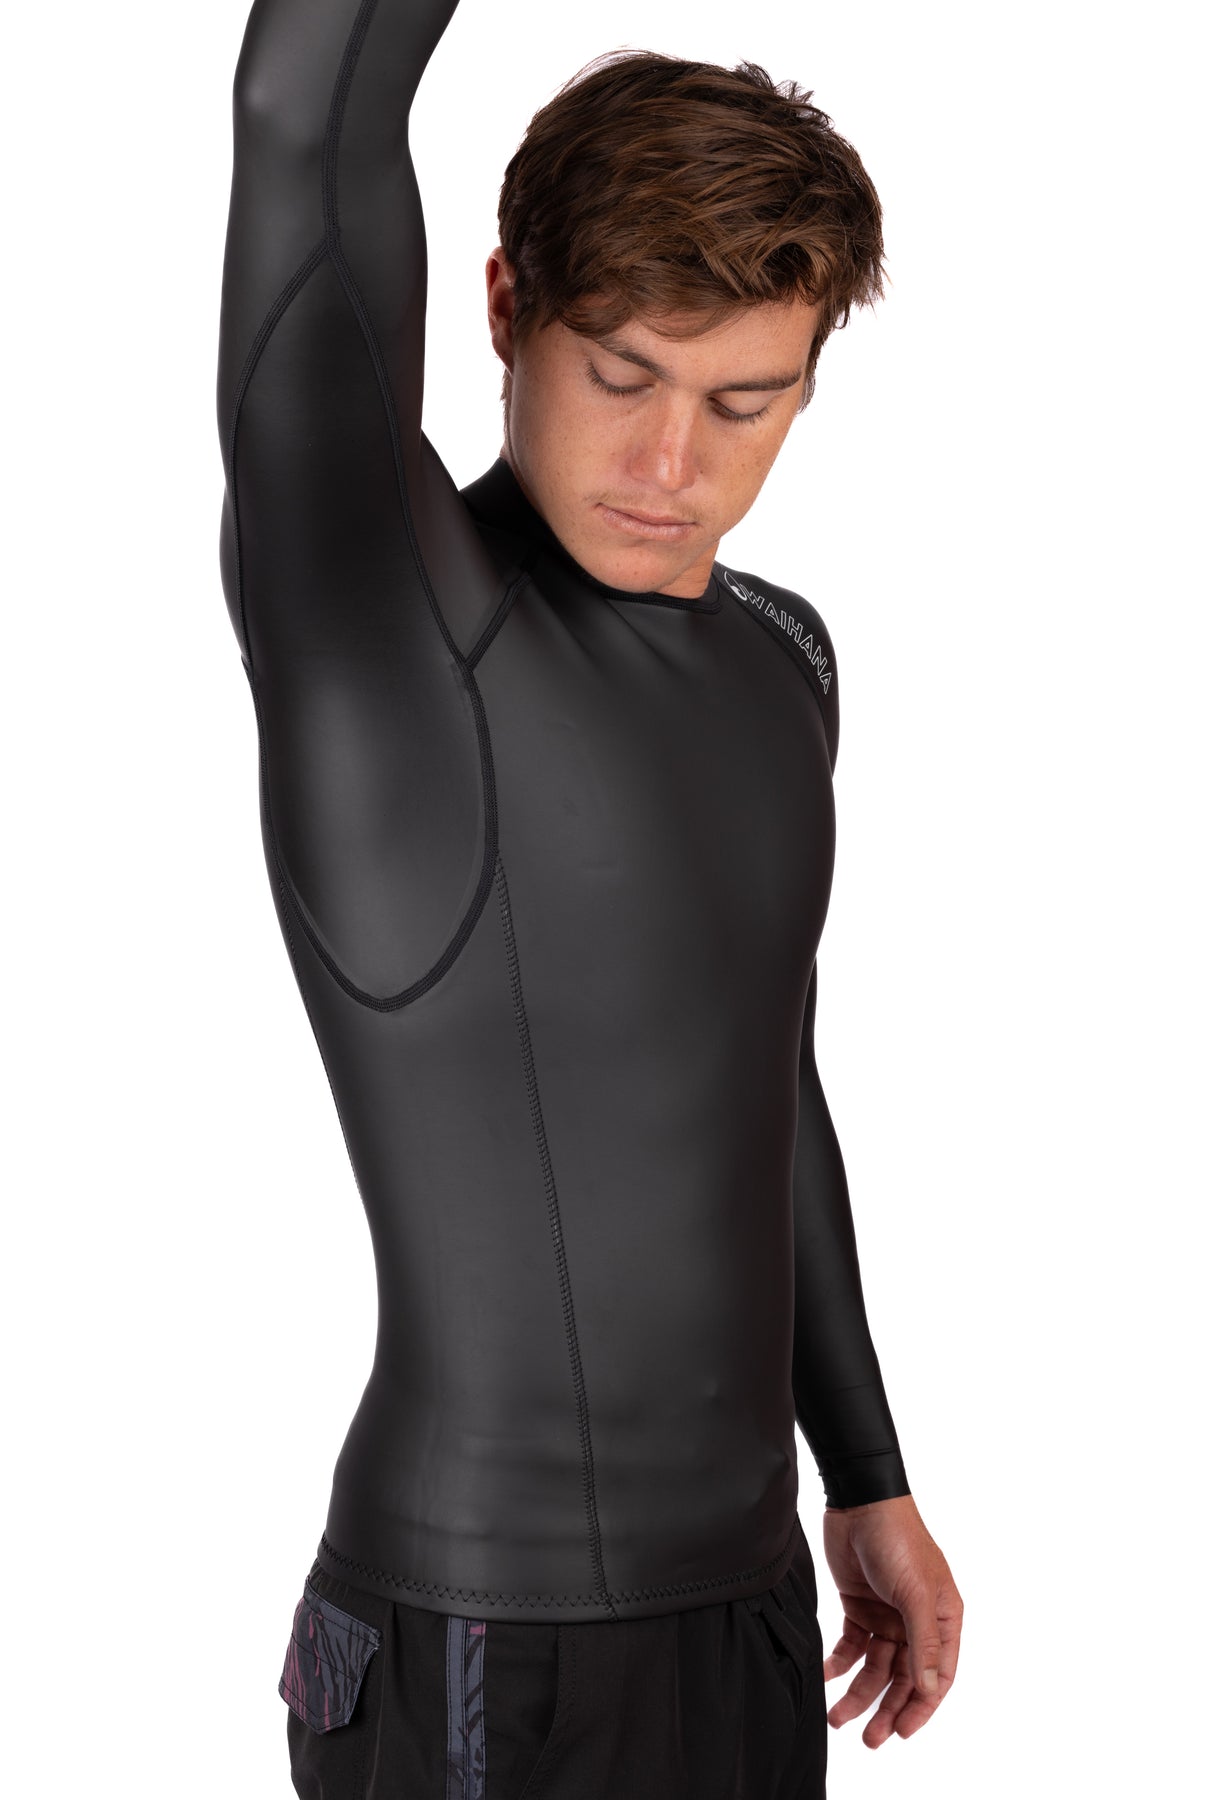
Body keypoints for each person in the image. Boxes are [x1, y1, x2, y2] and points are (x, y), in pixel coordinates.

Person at [216, 1, 963, 1793]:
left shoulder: (782, 660)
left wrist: (863, 1468)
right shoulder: (380, 616)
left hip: (751, 1604)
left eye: (742, 401)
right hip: (486, 1636)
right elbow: (306, 114)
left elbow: (758, 1076)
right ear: (502, 309)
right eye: (620, 375)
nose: (670, 465)